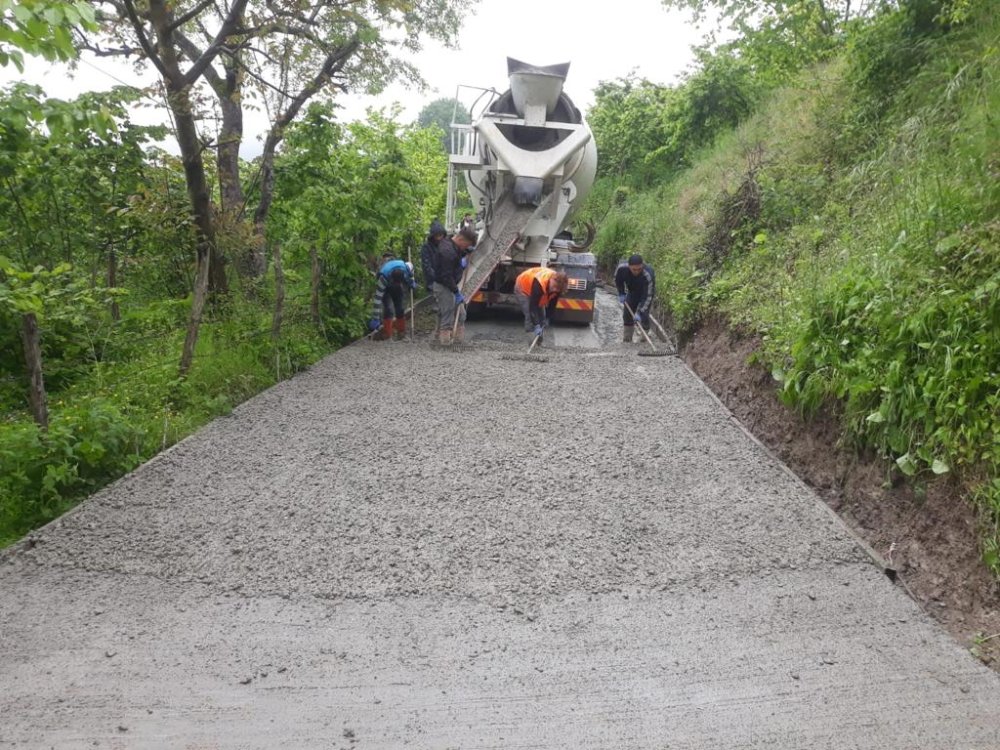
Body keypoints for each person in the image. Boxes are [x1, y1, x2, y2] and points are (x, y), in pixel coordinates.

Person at [432, 226, 477, 346]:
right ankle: (444, 343)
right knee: (447, 313)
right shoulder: (447, 252)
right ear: (461, 239)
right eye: (466, 245)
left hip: (451, 284)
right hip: (444, 285)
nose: (466, 247)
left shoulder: (451, 244)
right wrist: (456, 292)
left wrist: (465, 253)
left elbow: (457, 252)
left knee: (461, 314)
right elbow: (446, 276)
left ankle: (458, 341)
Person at [513, 266, 569, 345]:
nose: (554, 290)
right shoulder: (540, 283)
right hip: (523, 288)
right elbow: (533, 307)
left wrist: (547, 318)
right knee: (530, 316)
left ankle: (538, 343)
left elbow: (552, 305)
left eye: (557, 289)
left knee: (542, 317)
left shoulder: (558, 287)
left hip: (538, 292)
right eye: (554, 287)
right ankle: (531, 342)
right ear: (552, 279)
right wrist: (536, 325)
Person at [370, 257, 416, 341]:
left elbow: (411, 269)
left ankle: (401, 334)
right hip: (386, 285)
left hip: (396, 284)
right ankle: (387, 335)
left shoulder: (407, 268)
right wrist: (375, 318)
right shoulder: (383, 278)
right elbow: (377, 299)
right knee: (388, 309)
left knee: (400, 308)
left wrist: (412, 281)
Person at [614, 253, 655, 342]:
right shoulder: (622, 269)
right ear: (629, 266)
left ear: (642, 265)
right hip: (632, 292)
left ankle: (644, 337)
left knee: (644, 315)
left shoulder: (648, 274)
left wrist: (640, 312)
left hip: (645, 293)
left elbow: (648, 296)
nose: (636, 271)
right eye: (634, 269)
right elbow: (618, 280)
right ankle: (627, 339)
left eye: (639, 269)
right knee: (627, 314)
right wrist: (621, 293)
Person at [419, 220, 446, 293]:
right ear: (433, 236)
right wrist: (437, 278)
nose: (439, 238)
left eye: (441, 235)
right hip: (433, 282)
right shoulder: (426, 247)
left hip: (446, 281)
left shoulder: (445, 245)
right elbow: (427, 266)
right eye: (437, 235)